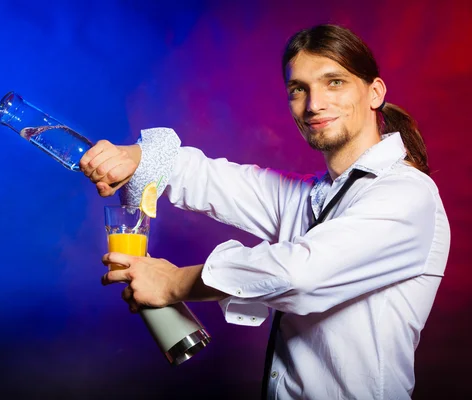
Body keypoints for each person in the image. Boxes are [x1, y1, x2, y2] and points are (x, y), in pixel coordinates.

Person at [79, 24, 450, 399]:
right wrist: (134, 158)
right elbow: (207, 178)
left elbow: (300, 273)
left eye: (334, 82)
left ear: (375, 93)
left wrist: (174, 283)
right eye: (298, 89)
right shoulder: (310, 196)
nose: (314, 103)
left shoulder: (406, 193)